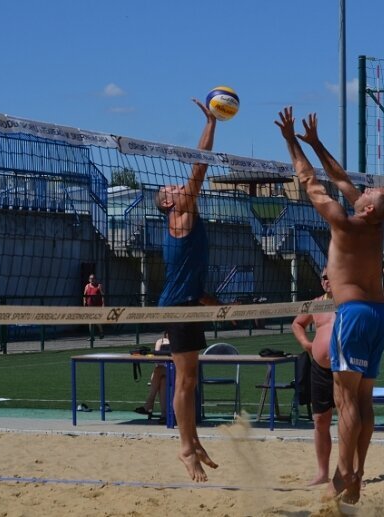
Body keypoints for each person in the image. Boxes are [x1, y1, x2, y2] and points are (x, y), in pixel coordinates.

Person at [276, 107, 384, 503]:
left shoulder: (344, 223)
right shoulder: (377, 223)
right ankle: (357, 472)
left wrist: (292, 141)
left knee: (345, 401)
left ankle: (345, 474)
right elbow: (341, 178)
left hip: (351, 315)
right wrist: (316, 142)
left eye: (367, 194)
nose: (361, 190)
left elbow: (311, 182)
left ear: (366, 208)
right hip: (379, 315)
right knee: (362, 401)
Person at [155, 98, 218, 482]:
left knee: (192, 379)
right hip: (177, 308)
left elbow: (192, 276)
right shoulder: (181, 215)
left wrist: (213, 302)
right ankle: (184, 447)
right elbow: (200, 165)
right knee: (185, 379)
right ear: (168, 203)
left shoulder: (184, 219)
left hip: (189, 302)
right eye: (172, 188)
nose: (179, 186)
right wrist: (212, 123)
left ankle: (192, 441)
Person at [291, 268, 335, 486]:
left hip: (345, 368)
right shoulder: (316, 303)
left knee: (350, 421)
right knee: (320, 420)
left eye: (331, 276)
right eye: (324, 277)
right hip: (319, 368)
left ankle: (353, 472)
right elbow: (297, 323)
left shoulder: (348, 301)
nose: (327, 280)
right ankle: (322, 473)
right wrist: (307, 344)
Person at [134, 333, 169, 424]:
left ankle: (148, 404)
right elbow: (157, 356)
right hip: (164, 372)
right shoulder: (160, 341)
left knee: (158, 370)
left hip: (177, 370)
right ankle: (164, 415)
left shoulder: (179, 340)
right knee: (163, 381)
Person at [83, 274, 105, 338]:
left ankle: (101, 332)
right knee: (90, 321)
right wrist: (84, 302)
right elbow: (84, 295)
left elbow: (103, 296)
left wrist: (103, 304)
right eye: (91, 278)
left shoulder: (99, 286)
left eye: (93, 278)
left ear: (95, 279)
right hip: (89, 306)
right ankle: (92, 335)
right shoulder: (87, 286)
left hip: (97, 306)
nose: (92, 280)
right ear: (89, 279)